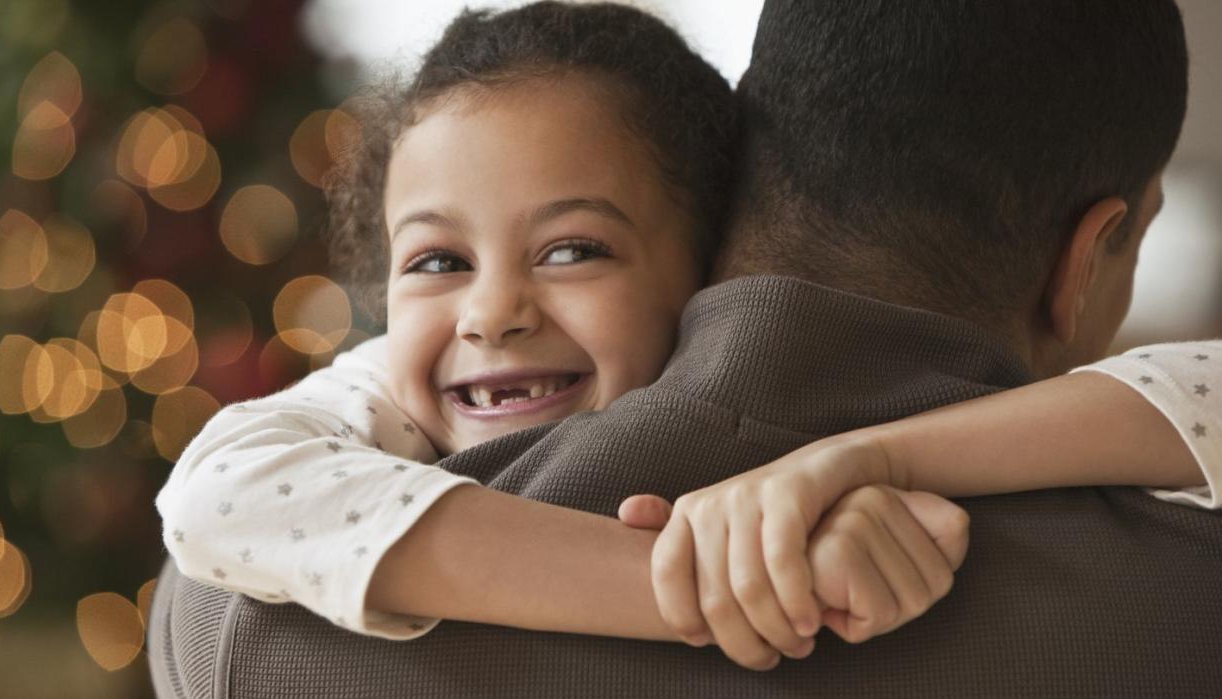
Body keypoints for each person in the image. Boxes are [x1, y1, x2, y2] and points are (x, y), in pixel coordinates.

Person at [148, 1, 1222, 696]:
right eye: (434, 263)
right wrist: (716, 582)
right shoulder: (1182, 601)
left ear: (712, 243)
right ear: (1091, 258)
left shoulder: (240, 620)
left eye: (571, 248)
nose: (490, 313)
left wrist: (864, 465)